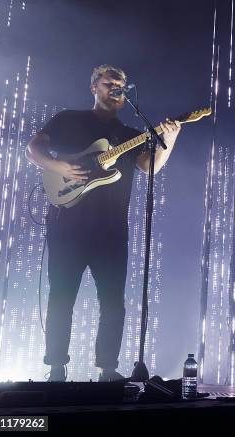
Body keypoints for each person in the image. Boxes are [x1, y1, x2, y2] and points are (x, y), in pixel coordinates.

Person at [25, 65, 182, 381]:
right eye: (109, 82)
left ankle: (108, 370)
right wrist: (60, 166)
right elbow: (34, 149)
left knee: (113, 303)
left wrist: (170, 139)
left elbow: (149, 168)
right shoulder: (68, 119)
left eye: (121, 83)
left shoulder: (130, 134)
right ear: (94, 87)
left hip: (111, 231)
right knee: (61, 298)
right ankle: (56, 368)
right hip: (68, 225)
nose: (116, 87)